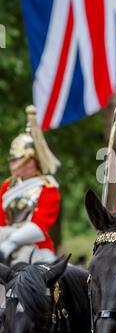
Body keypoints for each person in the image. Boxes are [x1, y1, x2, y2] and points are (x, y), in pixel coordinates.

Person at [0, 105, 61, 266]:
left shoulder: (48, 187)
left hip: (36, 247)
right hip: (3, 241)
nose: (12, 163)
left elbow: (40, 226)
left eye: (16, 159)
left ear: (31, 161)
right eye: (12, 160)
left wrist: (12, 242)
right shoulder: (7, 186)